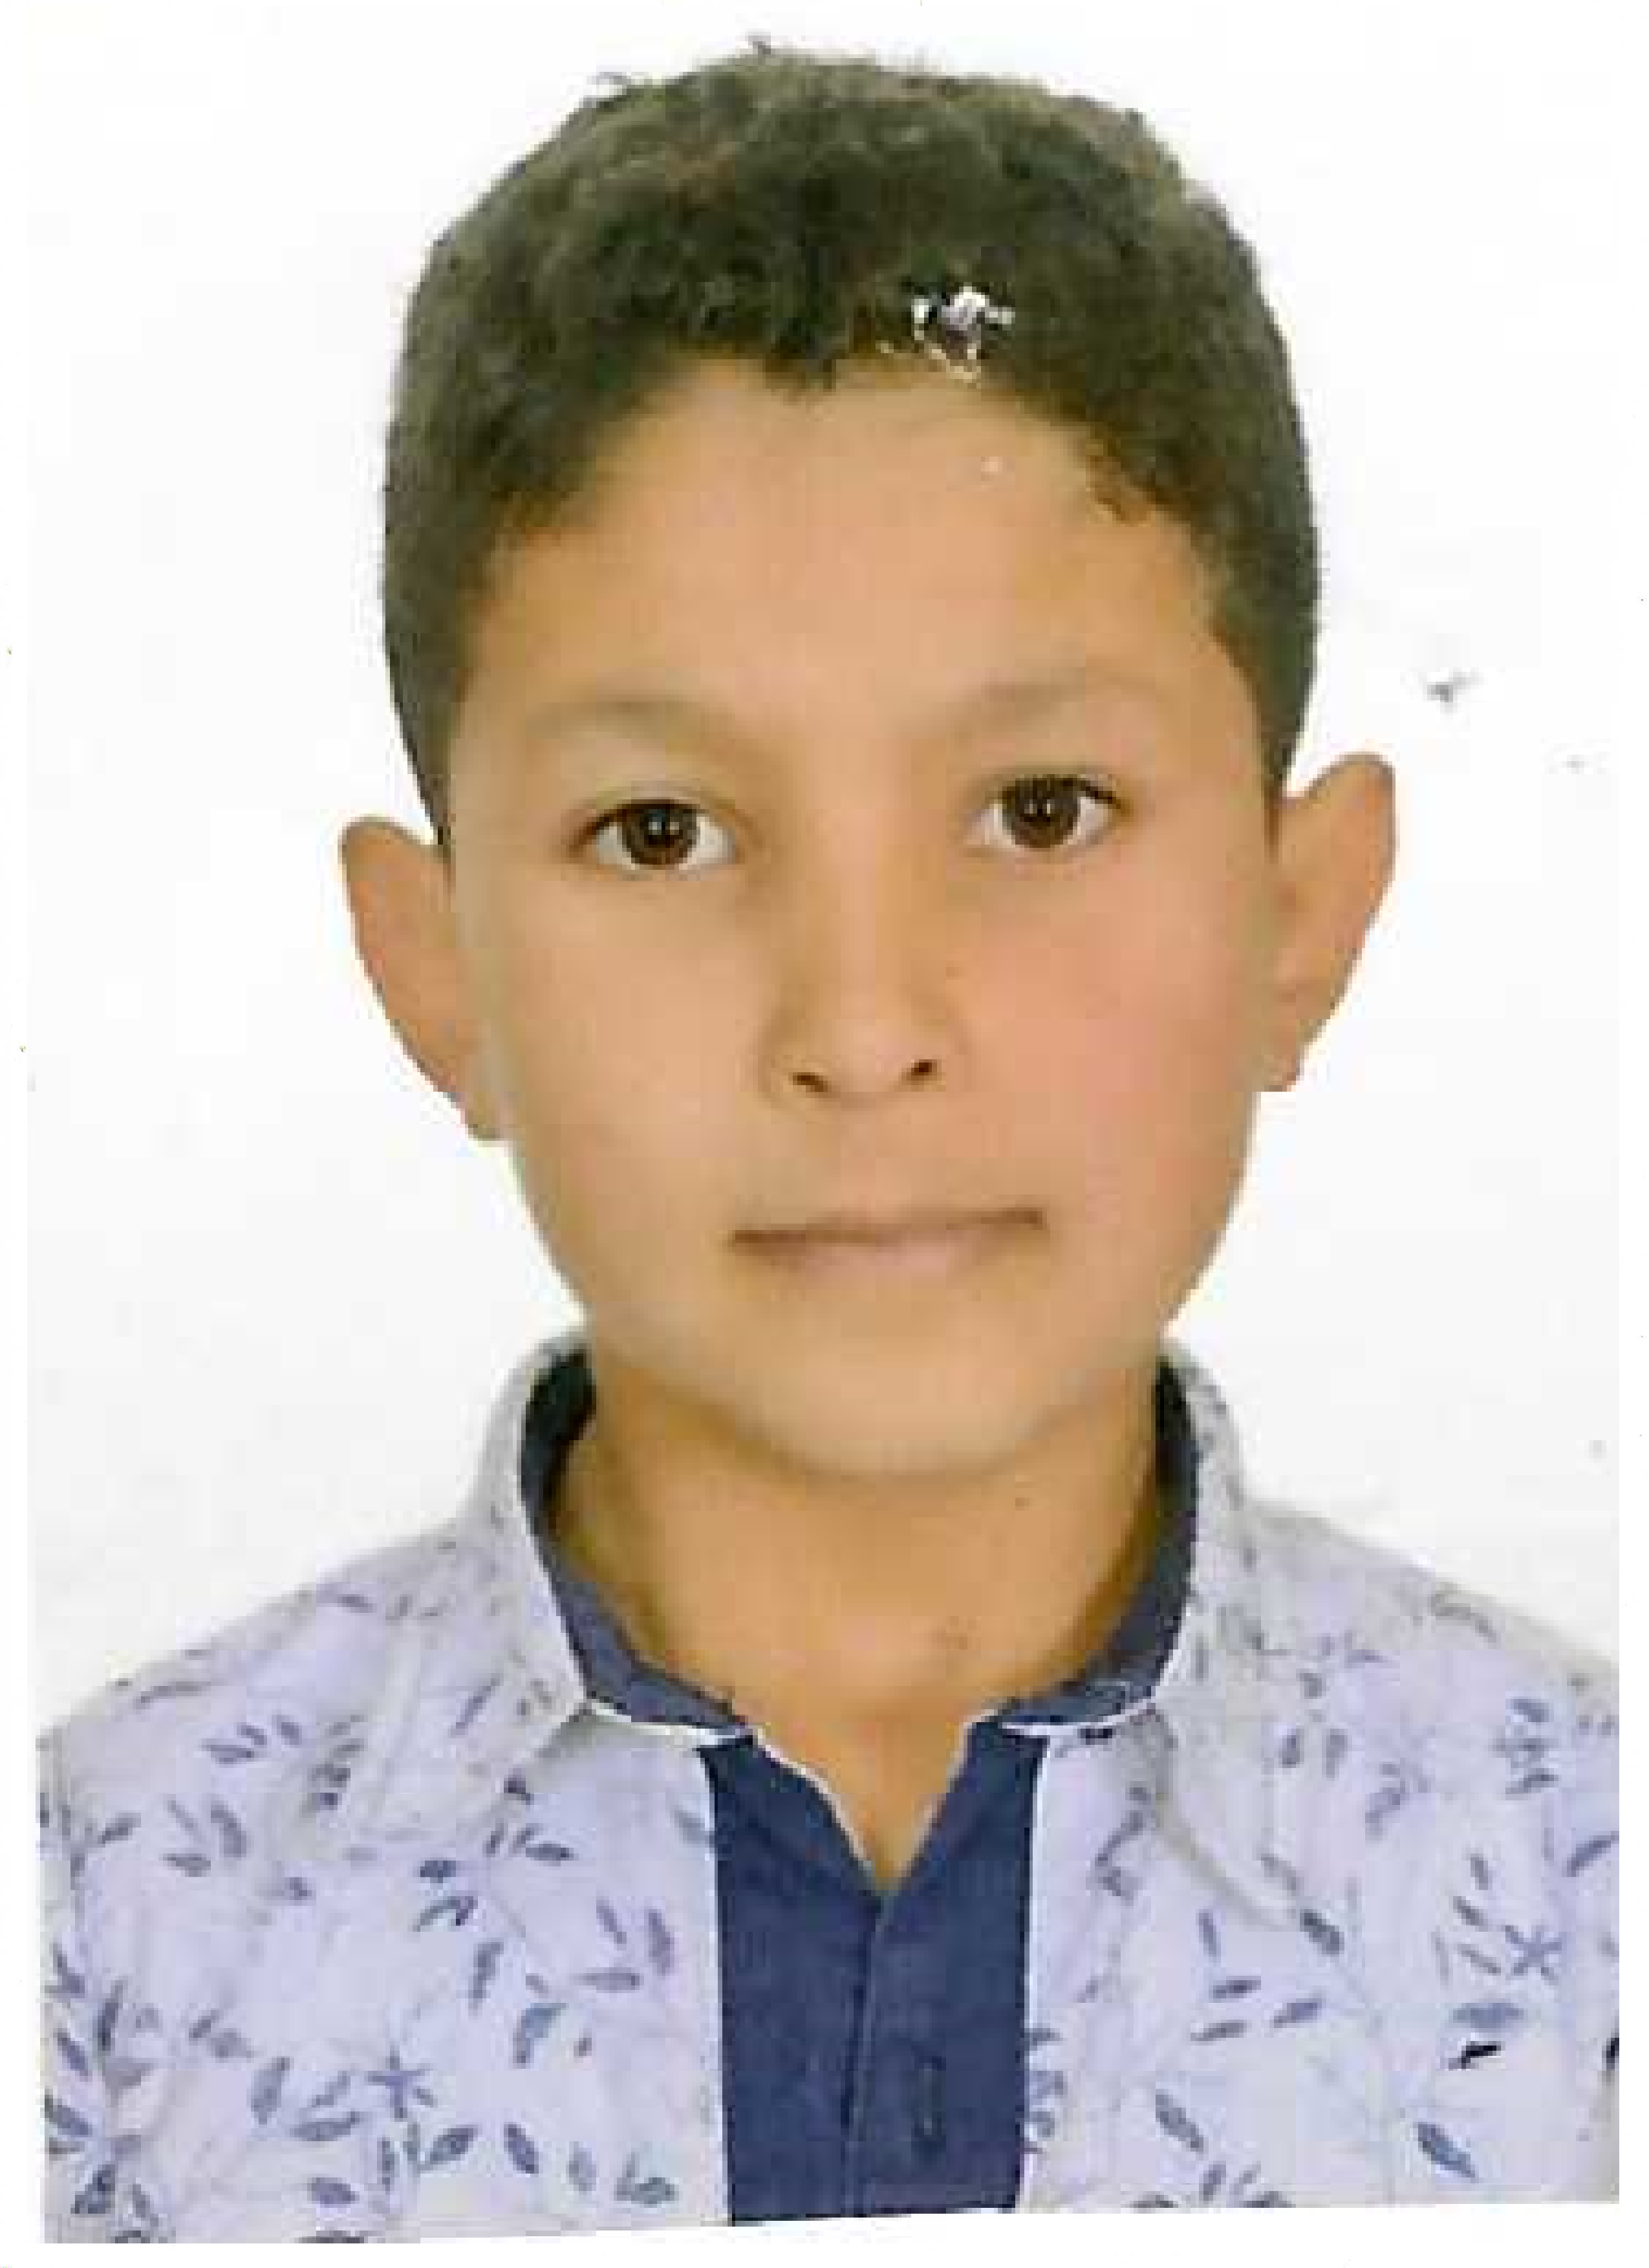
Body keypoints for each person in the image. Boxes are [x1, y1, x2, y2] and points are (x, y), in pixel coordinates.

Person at [38, 38, 1616, 2240]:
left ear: (1300, 914)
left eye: (1039, 811)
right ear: (432, 967)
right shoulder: (99, 1936)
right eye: (660, 831)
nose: (863, 1032)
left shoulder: (1580, 1889)